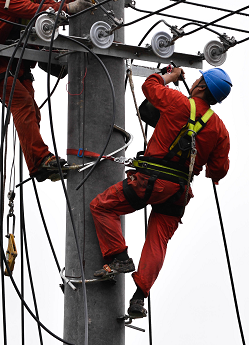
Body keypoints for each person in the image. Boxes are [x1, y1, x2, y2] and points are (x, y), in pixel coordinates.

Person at [89, 67, 232, 318]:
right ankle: (139, 298)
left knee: (102, 206)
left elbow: (150, 87)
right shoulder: (219, 129)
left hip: (151, 181)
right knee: (157, 241)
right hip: (178, 192)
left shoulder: (178, 102)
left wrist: (170, 76)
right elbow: (218, 171)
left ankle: (118, 256)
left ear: (199, 85)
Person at [0, 0, 90, 181]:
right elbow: (37, 11)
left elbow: (51, 5)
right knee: (24, 105)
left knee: (32, 111)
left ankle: (40, 164)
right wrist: (68, 8)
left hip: (18, 60)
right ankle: (40, 161)